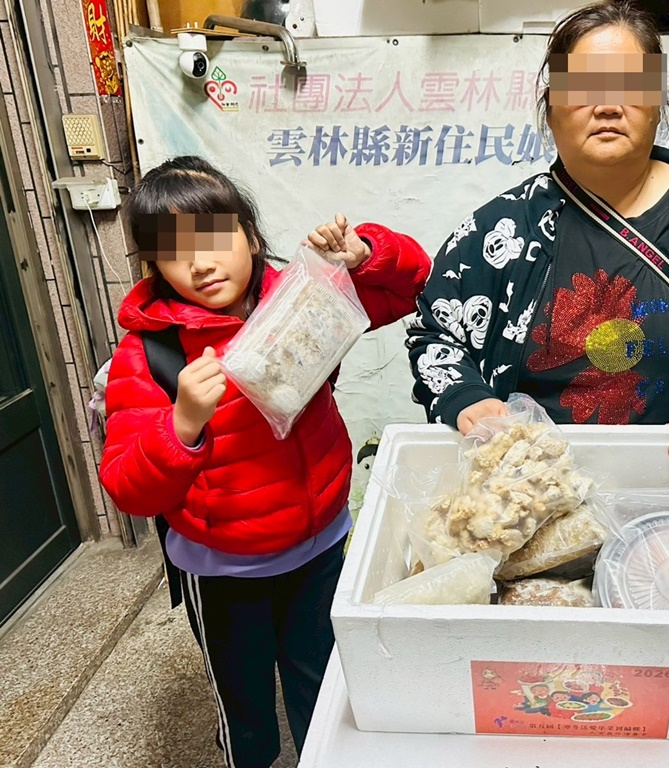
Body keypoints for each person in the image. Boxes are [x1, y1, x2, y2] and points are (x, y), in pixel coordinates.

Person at [100, 156, 430, 768]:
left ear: (250, 236)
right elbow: (127, 488)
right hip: (223, 570)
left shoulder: (301, 299)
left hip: (321, 546)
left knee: (324, 696)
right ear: (154, 266)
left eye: (214, 239)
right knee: (246, 714)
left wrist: (364, 254)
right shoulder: (151, 354)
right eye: (174, 253)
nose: (200, 264)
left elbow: (411, 288)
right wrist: (182, 425)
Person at [407, 0, 669, 467]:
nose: (607, 106)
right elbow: (436, 332)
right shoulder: (502, 231)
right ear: (551, 108)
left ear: (657, 102)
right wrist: (465, 396)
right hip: (535, 484)